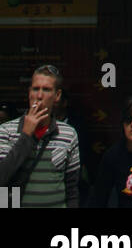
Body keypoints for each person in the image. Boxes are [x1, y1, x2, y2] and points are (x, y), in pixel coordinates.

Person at [0, 64, 79, 208]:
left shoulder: (68, 134)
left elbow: (71, 188)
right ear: (29, 92)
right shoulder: (6, 131)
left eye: (46, 89)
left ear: (57, 95)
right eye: (36, 89)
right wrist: (26, 135)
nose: (39, 96)